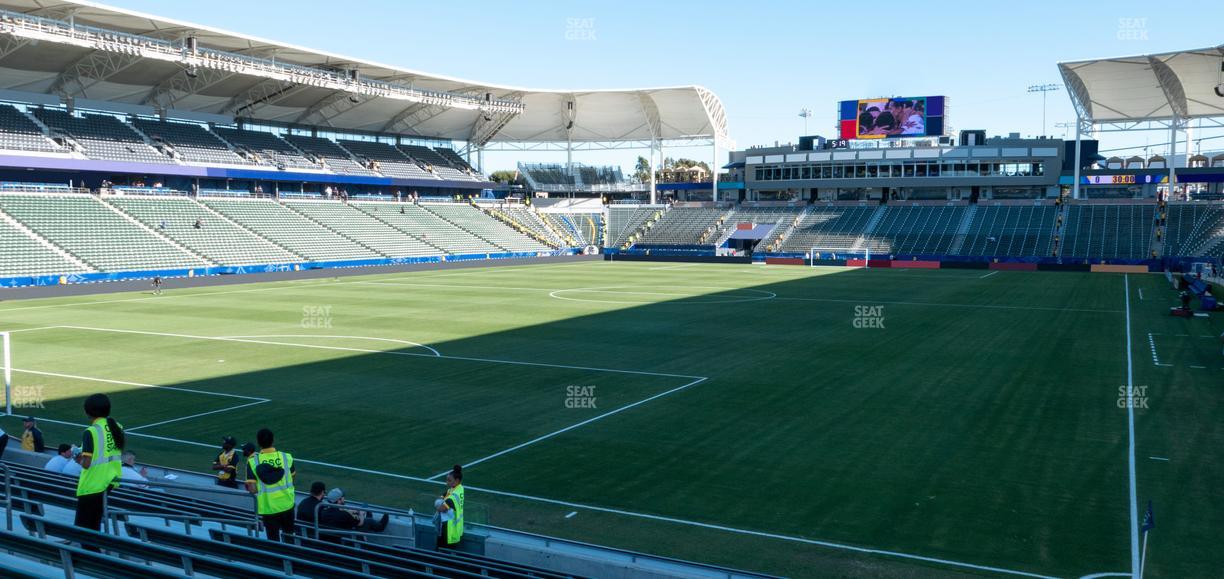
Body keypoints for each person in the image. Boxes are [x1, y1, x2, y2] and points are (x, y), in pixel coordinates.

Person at [76, 393, 124, 535]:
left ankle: (89, 556)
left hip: (92, 485)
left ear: (88, 412)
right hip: (109, 481)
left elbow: (86, 463)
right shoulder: (117, 427)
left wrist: (76, 457)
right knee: (94, 526)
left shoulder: (91, 431)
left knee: (83, 530)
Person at [246, 428, 296, 541]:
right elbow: (292, 478)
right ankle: (291, 558)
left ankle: (277, 559)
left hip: (269, 509)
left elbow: (252, 489)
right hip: (287, 504)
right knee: (289, 538)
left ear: (258, 443)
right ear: (273, 441)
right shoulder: (286, 457)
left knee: (273, 541)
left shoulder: (253, 461)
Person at [435, 464, 465, 549]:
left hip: (449, 530)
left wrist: (437, 503)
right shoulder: (459, 488)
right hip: (456, 527)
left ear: (457, 480)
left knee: (442, 552)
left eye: (449, 480)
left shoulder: (452, 498)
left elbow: (440, 508)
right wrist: (441, 498)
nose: (447, 482)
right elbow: (445, 494)